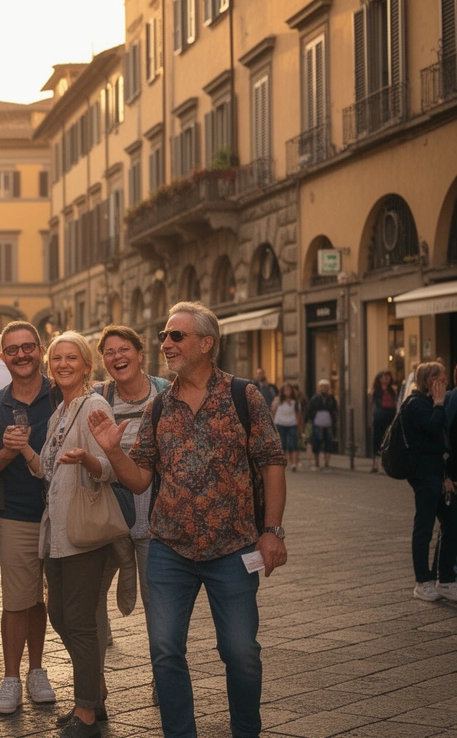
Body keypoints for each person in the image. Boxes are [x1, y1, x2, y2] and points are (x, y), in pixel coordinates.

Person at [87, 301, 288, 738]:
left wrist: (272, 531)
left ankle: (246, 731)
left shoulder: (243, 396)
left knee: (241, 652)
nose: (166, 343)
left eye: (176, 335)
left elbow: (272, 461)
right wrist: (113, 451)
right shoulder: (159, 406)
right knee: (164, 651)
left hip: (233, 549)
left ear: (206, 343)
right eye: (164, 336)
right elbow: (139, 480)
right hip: (169, 550)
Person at [22, 333, 114, 738]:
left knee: (78, 620)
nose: (63, 364)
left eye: (71, 357)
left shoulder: (94, 406)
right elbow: (48, 469)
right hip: (56, 532)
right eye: (56, 358)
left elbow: (110, 467)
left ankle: (87, 710)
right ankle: (93, 694)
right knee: (60, 615)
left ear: (86, 364)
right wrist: (24, 450)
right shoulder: (60, 411)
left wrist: (89, 460)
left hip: (82, 530)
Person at [0, 321, 59, 714]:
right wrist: (8, 452)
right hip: (16, 515)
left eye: (28, 347)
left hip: (63, 515)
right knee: (17, 599)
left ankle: (37, 670)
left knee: (46, 601)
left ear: (40, 350)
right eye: (12, 349)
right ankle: (11, 678)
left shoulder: (62, 395)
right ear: (2, 356)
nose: (21, 355)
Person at [93, 325, 168, 700]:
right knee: (92, 599)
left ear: (140, 354)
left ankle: (162, 678)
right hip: (109, 514)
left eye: (124, 349)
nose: (117, 357)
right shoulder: (98, 397)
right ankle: (94, 685)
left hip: (156, 515)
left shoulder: (165, 393)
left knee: (159, 604)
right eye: (109, 352)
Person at [407, 362, 456, 601]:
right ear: (429, 381)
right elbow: (432, 428)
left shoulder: (431, 403)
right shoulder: (415, 404)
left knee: (451, 520)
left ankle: (445, 580)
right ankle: (422, 582)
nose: (445, 380)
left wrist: (446, 476)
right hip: (423, 475)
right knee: (424, 527)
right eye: (440, 377)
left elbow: (443, 441)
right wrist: (438, 403)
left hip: (437, 474)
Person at [305, 379, 338, 470]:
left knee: (328, 442)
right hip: (317, 423)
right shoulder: (315, 398)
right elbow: (310, 410)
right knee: (316, 442)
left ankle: (327, 462)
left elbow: (334, 410)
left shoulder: (331, 398)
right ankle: (317, 462)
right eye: (322, 387)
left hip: (328, 423)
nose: (323, 389)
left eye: (325, 387)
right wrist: (309, 420)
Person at [271, 384, 302, 472]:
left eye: (289, 390)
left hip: (292, 424)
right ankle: (284, 463)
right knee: (282, 444)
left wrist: (299, 426)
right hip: (280, 424)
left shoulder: (295, 402)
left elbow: (298, 414)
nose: (287, 392)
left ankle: (293, 463)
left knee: (293, 444)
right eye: (285, 390)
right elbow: (273, 411)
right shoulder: (278, 400)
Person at [372, 371, 399, 474]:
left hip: (391, 414)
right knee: (378, 438)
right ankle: (376, 464)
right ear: (379, 379)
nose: (385, 379)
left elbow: (395, 401)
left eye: (387, 377)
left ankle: (387, 464)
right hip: (380, 414)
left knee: (389, 438)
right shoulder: (376, 390)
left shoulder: (393, 390)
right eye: (383, 377)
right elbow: (375, 402)